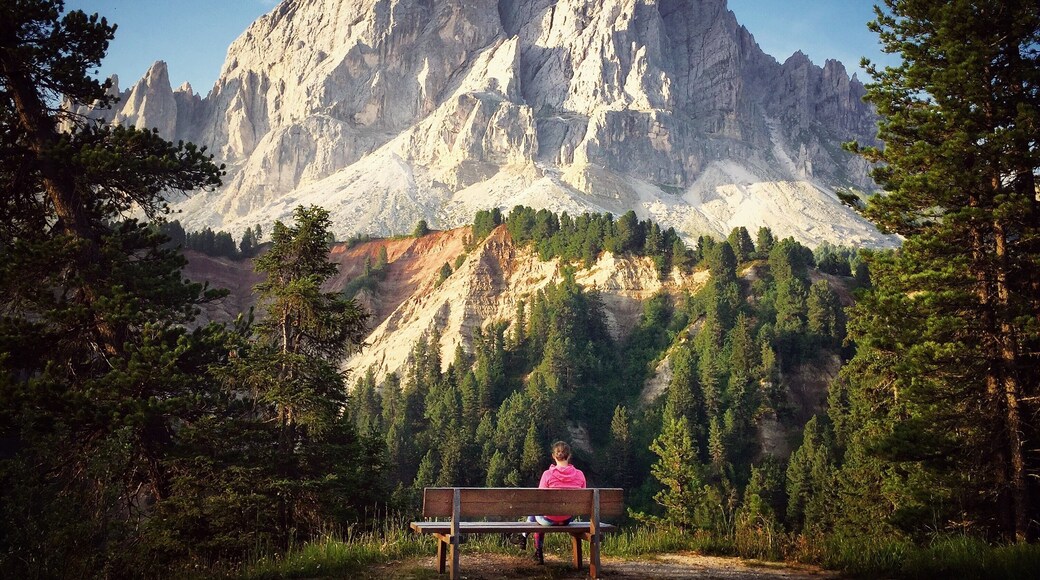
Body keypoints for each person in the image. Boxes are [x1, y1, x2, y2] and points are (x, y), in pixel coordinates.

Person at [523, 441, 587, 564]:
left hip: (548, 520)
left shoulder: (547, 475)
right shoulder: (579, 475)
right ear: (569, 455)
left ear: (553, 456)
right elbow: (583, 498)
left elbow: (539, 498)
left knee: (537, 513)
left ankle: (536, 550)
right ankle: (525, 538)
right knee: (539, 513)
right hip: (567, 519)